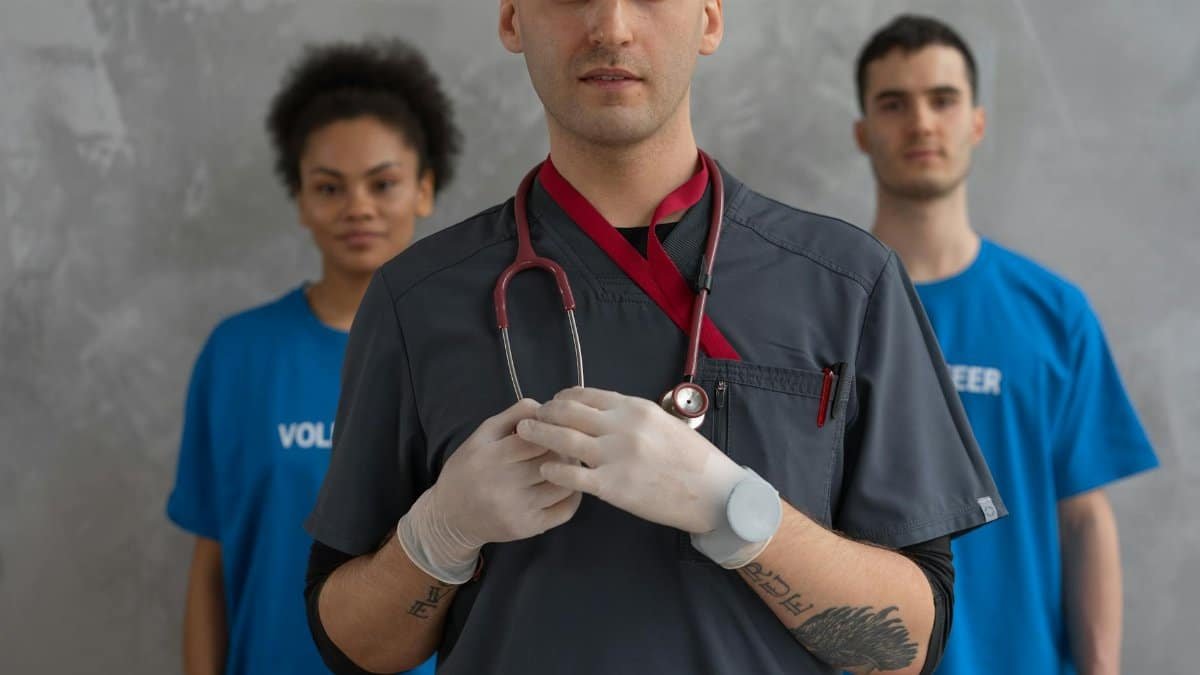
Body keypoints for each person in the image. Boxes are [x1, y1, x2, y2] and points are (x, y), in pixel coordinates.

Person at [304, 3, 1004, 674]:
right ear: (512, 18)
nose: (610, 26)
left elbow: (907, 644)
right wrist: (440, 535)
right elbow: (353, 646)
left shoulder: (847, 285)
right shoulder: (417, 299)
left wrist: (736, 510)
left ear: (710, 16)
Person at [853, 15, 1159, 675]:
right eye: (893, 103)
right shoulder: (821, 306)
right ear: (862, 132)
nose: (922, 123)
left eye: (943, 99)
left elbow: (1083, 519)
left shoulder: (1053, 313)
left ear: (978, 123)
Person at [166, 38, 460, 675]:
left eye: (382, 183)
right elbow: (210, 563)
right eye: (330, 187)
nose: (357, 206)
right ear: (300, 199)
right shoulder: (237, 354)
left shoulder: (468, 355)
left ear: (424, 189)